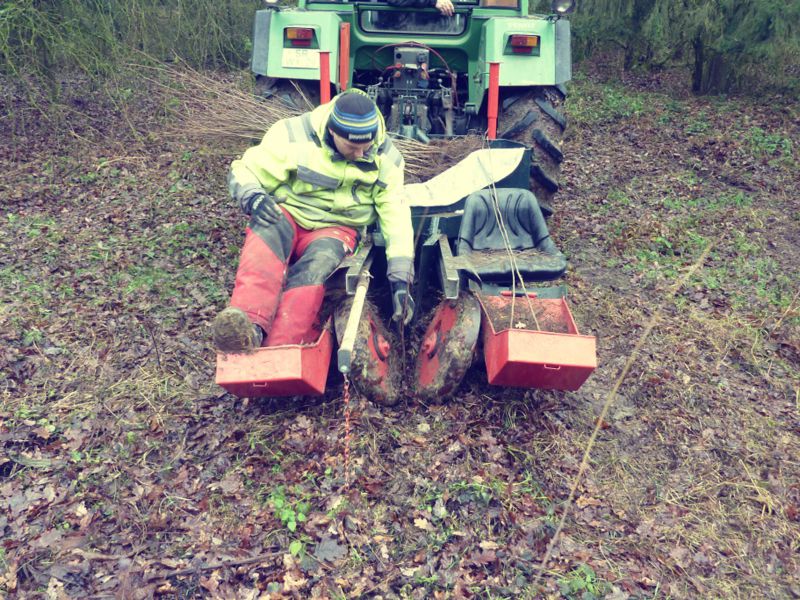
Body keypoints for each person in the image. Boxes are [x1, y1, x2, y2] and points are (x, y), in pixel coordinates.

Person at [213, 90, 415, 354]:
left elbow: (396, 216)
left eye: (365, 146)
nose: (360, 153)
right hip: (289, 212)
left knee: (315, 271)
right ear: (332, 132)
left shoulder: (386, 157)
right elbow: (247, 168)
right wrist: (253, 196)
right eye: (352, 147)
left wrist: (401, 279)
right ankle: (247, 330)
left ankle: (280, 349)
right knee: (265, 239)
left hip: (337, 227)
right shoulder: (293, 136)